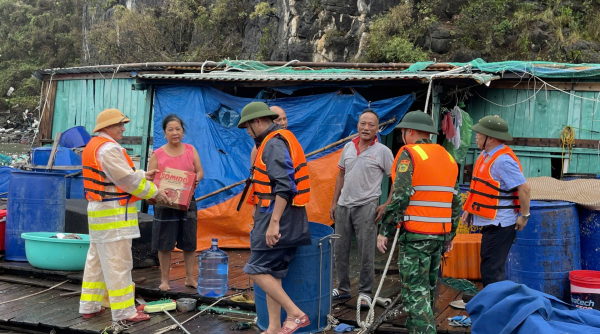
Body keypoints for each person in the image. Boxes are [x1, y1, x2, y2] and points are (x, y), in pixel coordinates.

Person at [79, 108, 169, 323]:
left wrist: (142, 174)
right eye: (119, 124)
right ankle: (124, 312)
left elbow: (119, 176)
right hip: (114, 217)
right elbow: (128, 181)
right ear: (106, 127)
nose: (123, 128)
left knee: (97, 262)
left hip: (100, 215)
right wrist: (156, 192)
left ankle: (89, 306)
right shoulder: (109, 149)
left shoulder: (95, 146)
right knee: (118, 263)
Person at [377, 111, 461, 334]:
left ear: (409, 132)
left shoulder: (409, 153)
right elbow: (456, 201)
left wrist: (385, 229)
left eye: (403, 132)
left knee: (415, 294)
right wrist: (450, 235)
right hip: (438, 237)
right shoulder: (448, 157)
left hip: (416, 236)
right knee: (427, 293)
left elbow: (400, 195)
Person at [238, 102, 311, 334]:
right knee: (272, 273)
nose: (248, 132)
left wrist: (274, 223)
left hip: (279, 216)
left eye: (248, 127)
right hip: (283, 215)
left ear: (258, 121)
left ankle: (295, 314)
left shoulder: (273, 143)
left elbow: (284, 186)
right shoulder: (272, 141)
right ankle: (273, 327)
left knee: (255, 269)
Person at [329, 109, 394, 306]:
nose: (366, 128)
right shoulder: (348, 147)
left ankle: (365, 292)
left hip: (367, 206)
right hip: (343, 206)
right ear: (357, 125)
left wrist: (387, 204)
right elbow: (341, 175)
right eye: (362, 123)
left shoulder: (383, 151)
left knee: (366, 251)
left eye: (371, 125)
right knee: (340, 250)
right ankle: (342, 289)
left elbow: (396, 179)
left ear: (377, 128)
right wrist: (334, 202)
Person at [462, 115, 531, 288]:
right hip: (491, 222)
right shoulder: (486, 156)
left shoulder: (503, 160)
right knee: (489, 265)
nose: (476, 136)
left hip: (501, 224)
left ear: (490, 138)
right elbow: (481, 189)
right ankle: (491, 304)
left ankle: (495, 309)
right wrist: (469, 209)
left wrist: (524, 216)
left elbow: (524, 188)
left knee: (492, 270)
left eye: (479, 133)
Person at [147, 114, 204, 291]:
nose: (174, 132)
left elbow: (200, 171)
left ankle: (189, 278)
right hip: (164, 203)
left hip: (187, 202)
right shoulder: (158, 154)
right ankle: (165, 280)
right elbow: (149, 179)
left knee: (189, 241)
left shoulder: (190, 150)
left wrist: (196, 180)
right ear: (164, 133)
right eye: (170, 129)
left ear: (183, 131)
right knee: (164, 242)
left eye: (178, 129)